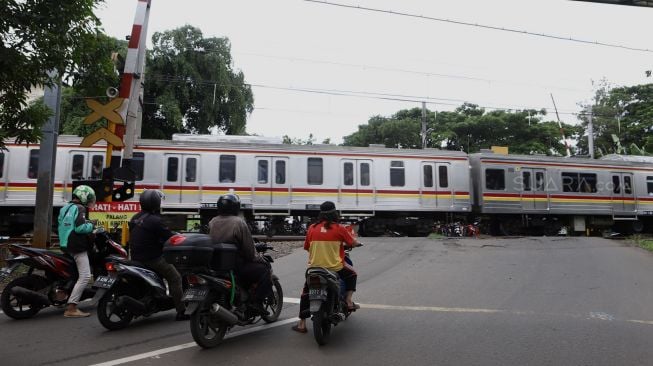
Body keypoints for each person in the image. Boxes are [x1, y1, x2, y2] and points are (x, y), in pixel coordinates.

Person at [292, 201, 361, 333]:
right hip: (334, 268)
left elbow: (306, 247)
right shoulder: (339, 228)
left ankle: (301, 323)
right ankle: (349, 301)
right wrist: (356, 244)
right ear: (335, 213)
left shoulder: (312, 227)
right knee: (353, 274)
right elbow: (352, 242)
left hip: (314, 268)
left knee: (305, 293)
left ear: (321, 214)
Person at [208, 193, 272, 315]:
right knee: (265, 270)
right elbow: (249, 251)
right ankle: (257, 304)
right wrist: (261, 259)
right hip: (236, 266)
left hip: (216, 265)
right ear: (236, 207)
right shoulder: (238, 223)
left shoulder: (212, 222)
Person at [129, 189, 188, 321]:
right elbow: (170, 237)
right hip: (153, 259)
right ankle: (181, 311)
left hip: (135, 257)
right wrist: (182, 238)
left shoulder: (134, 218)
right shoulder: (156, 221)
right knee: (175, 278)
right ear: (156, 203)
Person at [57, 185, 97, 318]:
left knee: (74, 274)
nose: (90, 200)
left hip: (65, 244)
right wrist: (91, 225)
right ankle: (71, 308)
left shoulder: (65, 208)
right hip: (76, 246)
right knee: (85, 276)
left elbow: (61, 223)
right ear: (84, 197)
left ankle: (66, 295)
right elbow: (80, 228)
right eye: (89, 198)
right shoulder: (80, 208)